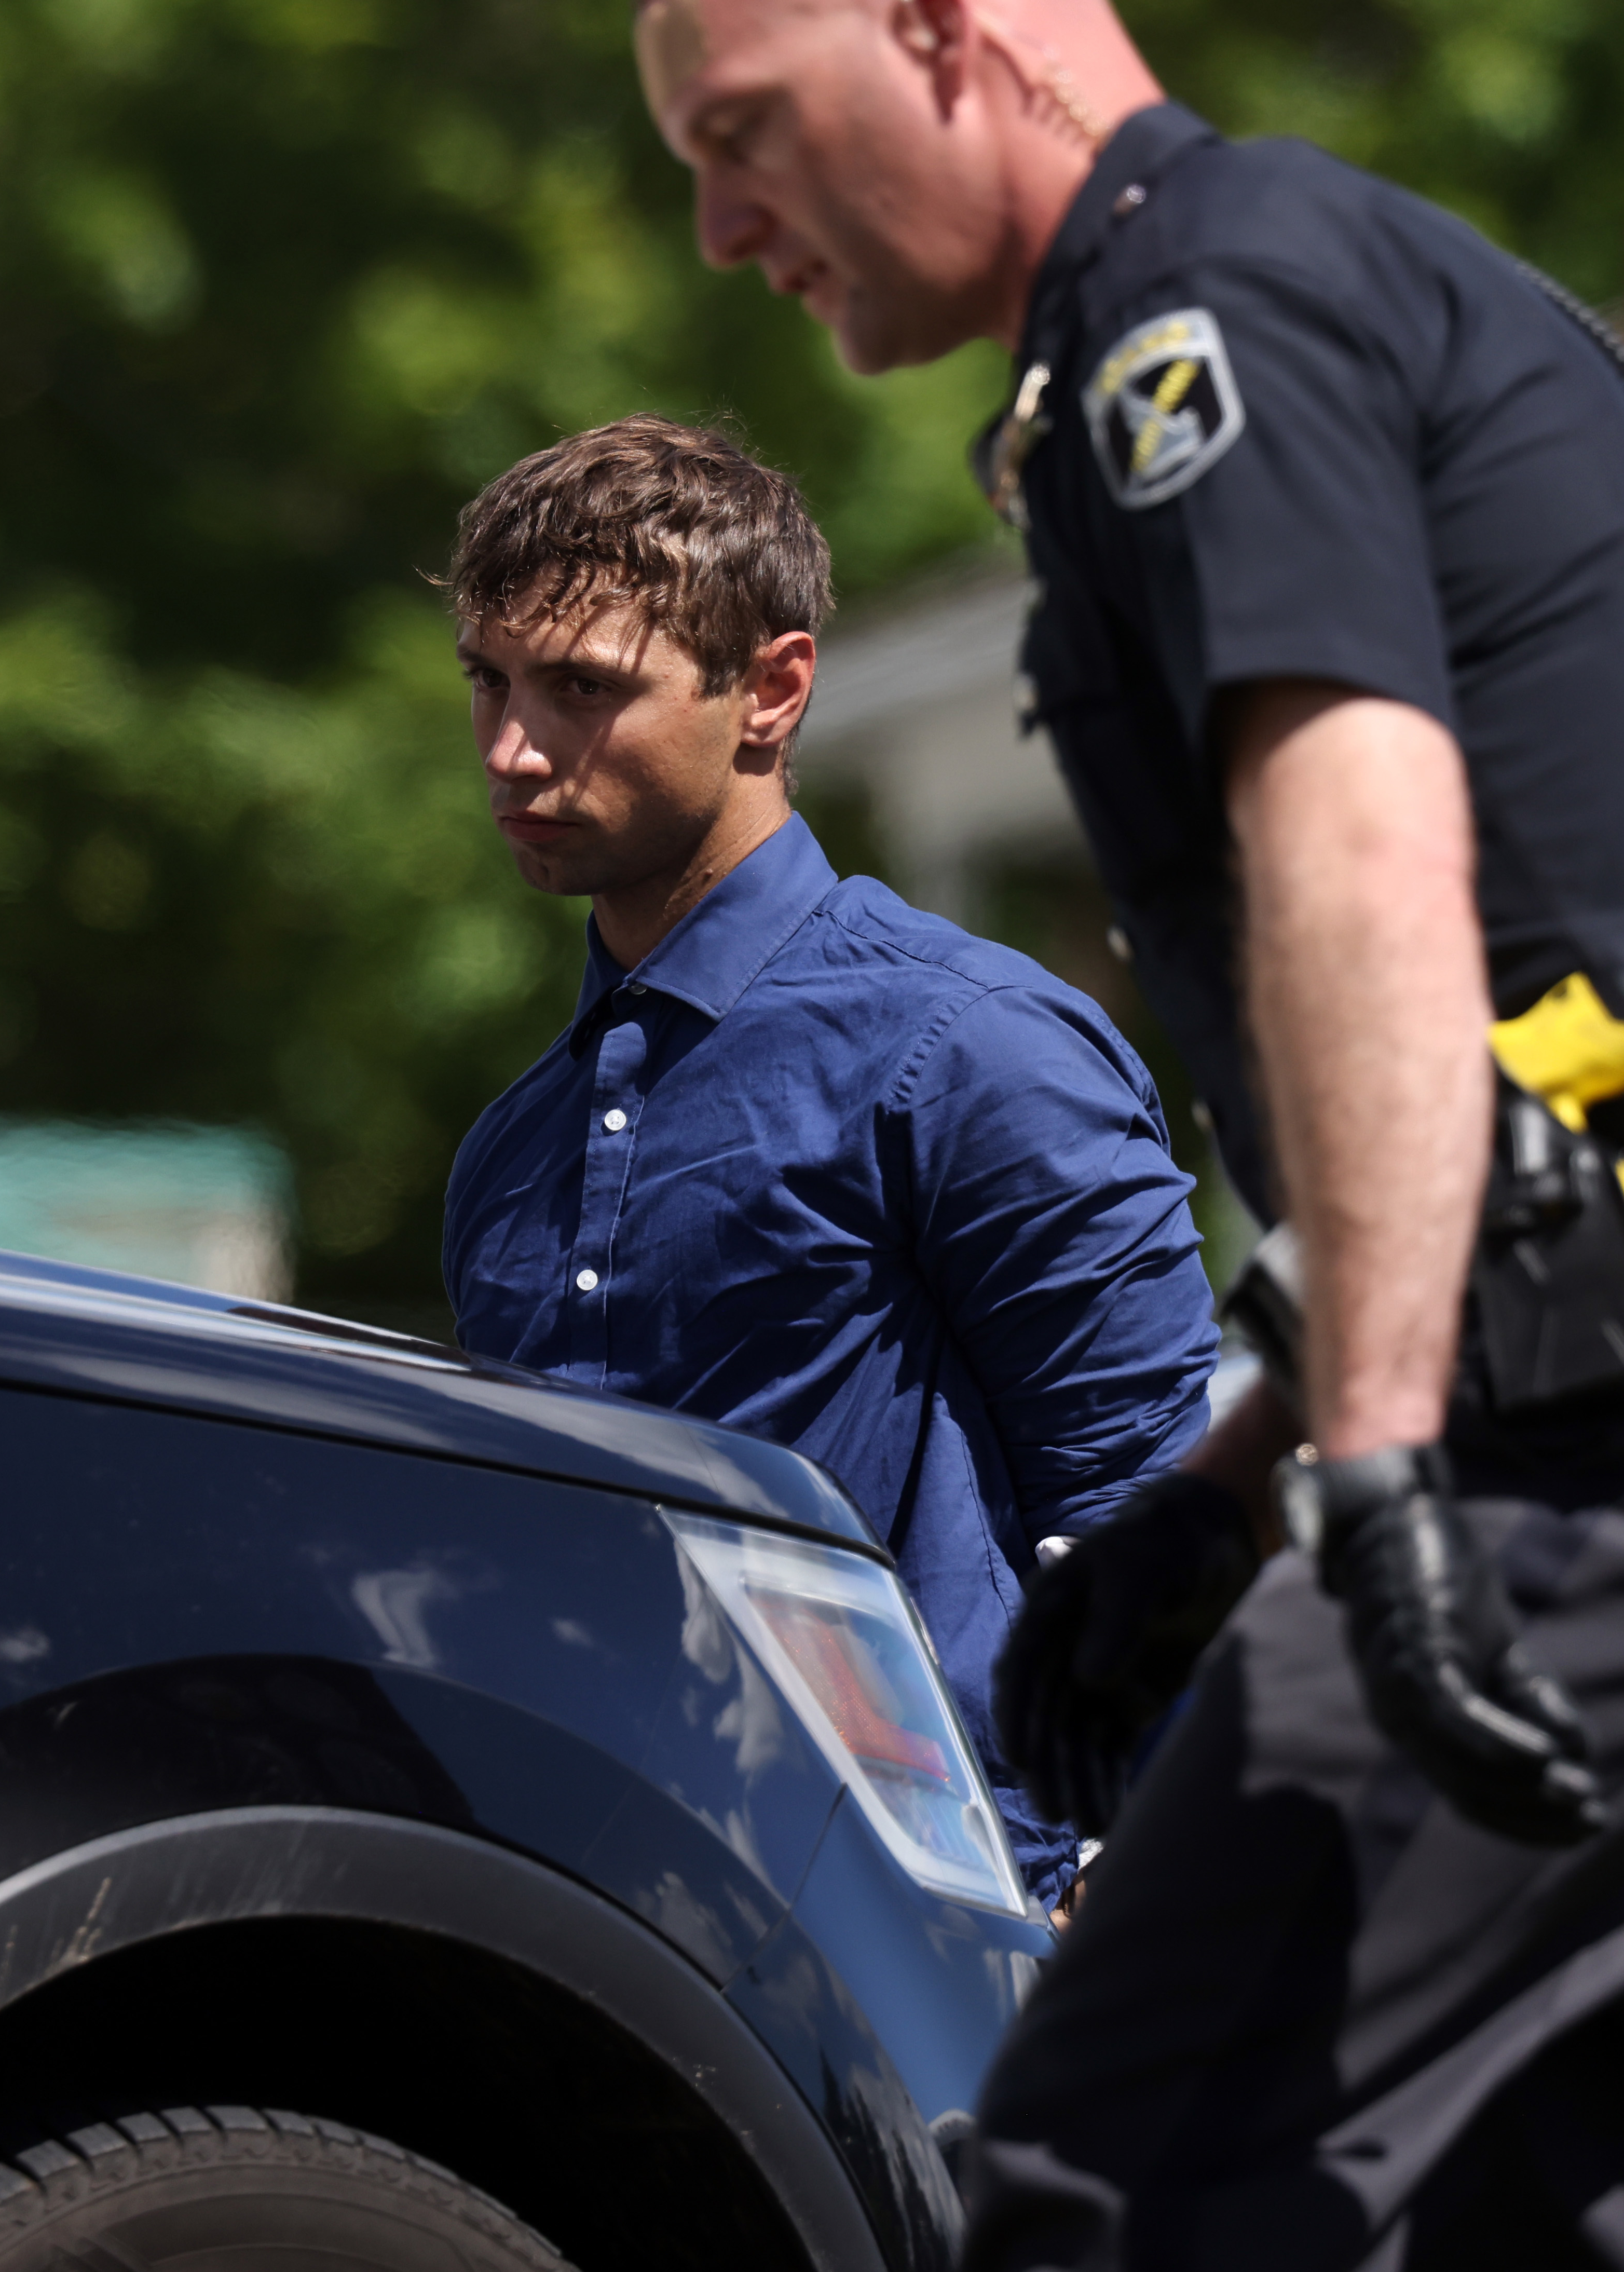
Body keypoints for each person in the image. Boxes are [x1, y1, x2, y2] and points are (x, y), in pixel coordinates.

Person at [640, 8, 1624, 2272]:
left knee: (1118, 2251)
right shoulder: (1295, 286)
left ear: (944, 34)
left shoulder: (1206, 317)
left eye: (741, 133)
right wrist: (1232, 1480)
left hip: (1600, 1461)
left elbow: (1368, 847)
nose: (720, 224)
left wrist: (1366, 1471)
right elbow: (1542, 1033)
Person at [435, 414, 1217, 1914]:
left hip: (951, 1934)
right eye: (490, 679)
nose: (512, 749)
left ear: (771, 693)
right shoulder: (508, 1155)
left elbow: (1156, 1517)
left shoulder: (972, 1048)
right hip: (606, 1935)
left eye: (585, 688)